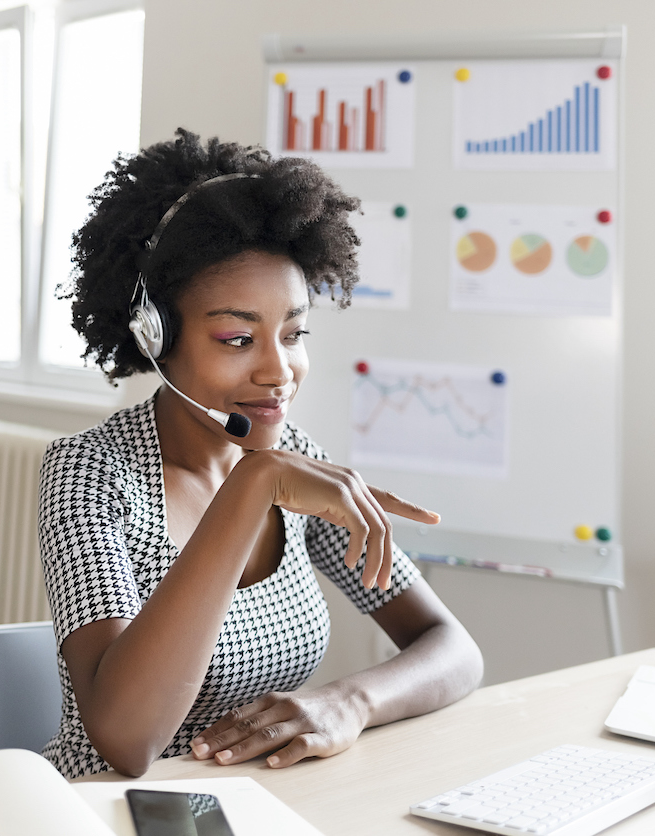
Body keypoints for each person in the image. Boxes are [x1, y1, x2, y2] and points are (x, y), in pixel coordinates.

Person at [39, 129, 483, 779]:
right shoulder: (91, 474)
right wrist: (253, 487)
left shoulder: (295, 457)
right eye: (238, 337)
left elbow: (454, 650)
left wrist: (349, 701)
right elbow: (127, 740)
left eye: (294, 333)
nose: (280, 371)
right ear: (155, 335)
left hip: (258, 804)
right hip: (107, 807)